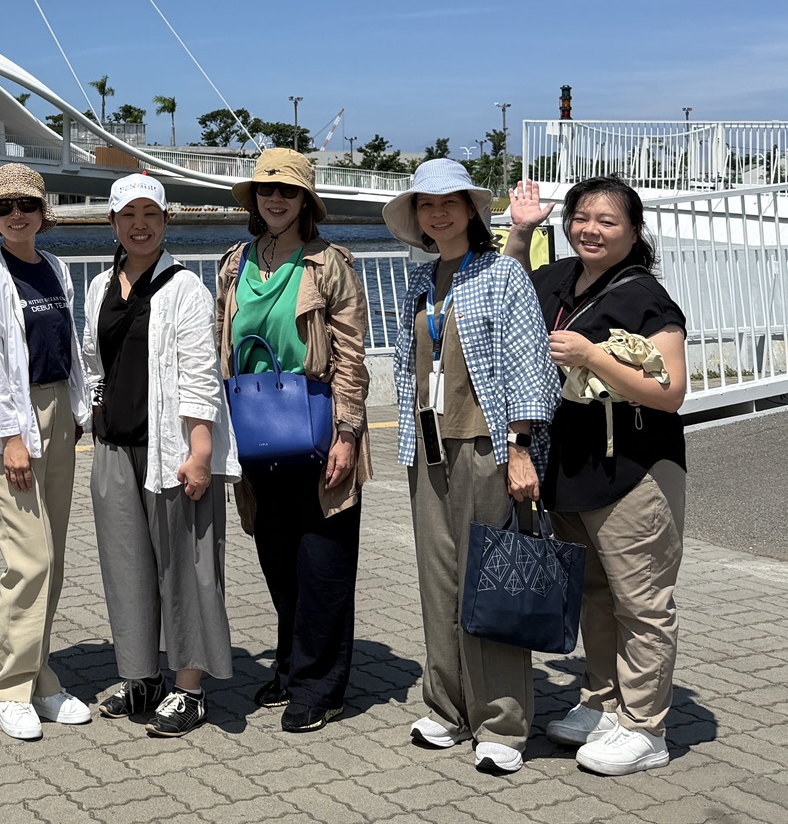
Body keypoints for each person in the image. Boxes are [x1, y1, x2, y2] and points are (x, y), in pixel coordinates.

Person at [506, 176, 688, 777]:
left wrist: (593, 357)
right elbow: (509, 295)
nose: (591, 230)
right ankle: (602, 702)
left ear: (634, 231)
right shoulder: (559, 278)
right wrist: (521, 231)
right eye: (581, 218)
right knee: (592, 592)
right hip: (571, 467)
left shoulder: (646, 298)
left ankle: (645, 728)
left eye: (608, 221)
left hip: (634, 470)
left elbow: (670, 393)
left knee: (641, 601)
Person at [383, 158, 558, 775]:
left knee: (491, 582)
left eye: (449, 202)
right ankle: (448, 706)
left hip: (486, 447)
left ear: (470, 211)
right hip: (428, 449)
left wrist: (519, 448)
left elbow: (530, 364)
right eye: (426, 205)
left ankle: (502, 722)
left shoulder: (503, 273)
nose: (438, 214)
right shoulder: (420, 280)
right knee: (439, 583)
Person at [214, 148, 371, 733]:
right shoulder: (234, 264)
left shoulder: (329, 264)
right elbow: (220, 344)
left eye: (287, 191)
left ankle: (319, 686)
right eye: (266, 189)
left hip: (318, 427)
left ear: (306, 201)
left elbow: (352, 356)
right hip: (256, 430)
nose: (275, 199)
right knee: (278, 558)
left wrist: (348, 433)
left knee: (323, 561)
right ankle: (289, 666)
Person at [80, 172, 241, 740]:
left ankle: (189, 688)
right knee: (126, 569)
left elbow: (200, 375)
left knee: (185, 570)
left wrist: (201, 450)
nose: (140, 225)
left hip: (170, 451)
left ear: (166, 221)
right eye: (128, 215)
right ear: (112, 223)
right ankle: (141, 676)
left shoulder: (186, 289)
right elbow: (93, 363)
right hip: (114, 448)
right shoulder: (100, 285)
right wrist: (91, 419)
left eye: (150, 214)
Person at [0, 163, 92, 740]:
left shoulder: (55, 266)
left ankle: (40, 677)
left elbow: (69, 345)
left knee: (52, 558)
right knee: (28, 559)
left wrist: (79, 411)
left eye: (27, 205)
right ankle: (9, 687)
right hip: (13, 421)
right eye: (5, 207)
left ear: (42, 212)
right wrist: (9, 436)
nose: (17, 215)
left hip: (58, 412)